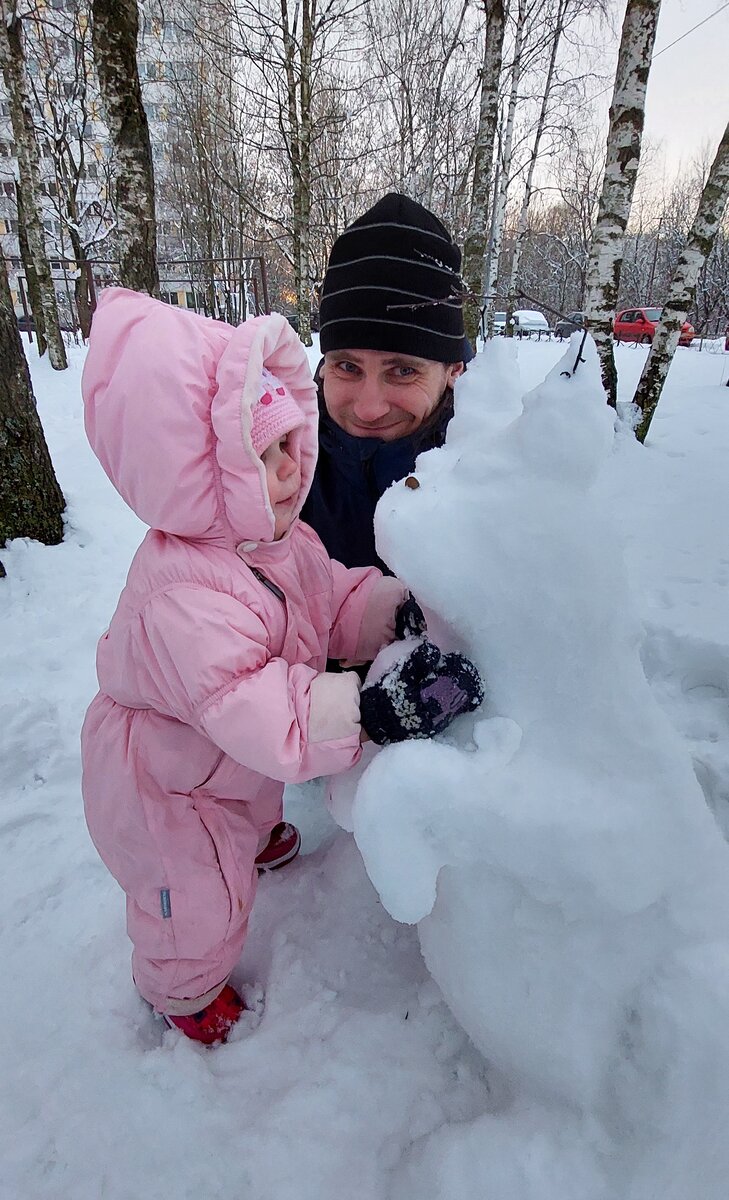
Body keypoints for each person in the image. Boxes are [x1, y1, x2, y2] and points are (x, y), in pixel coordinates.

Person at [81, 289, 483, 1045]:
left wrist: (387, 610)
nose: (288, 470)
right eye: (260, 457)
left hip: (220, 762)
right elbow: (256, 705)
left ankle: (252, 834)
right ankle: (181, 986)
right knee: (194, 893)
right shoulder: (184, 594)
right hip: (166, 783)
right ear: (196, 477)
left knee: (245, 804)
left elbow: (325, 598)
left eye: (289, 446)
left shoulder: (275, 540)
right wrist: (371, 710)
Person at [302, 192, 471, 571]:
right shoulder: (281, 463)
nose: (369, 408)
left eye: (403, 371)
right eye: (347, 367)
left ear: (453, 369)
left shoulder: (501, 474)